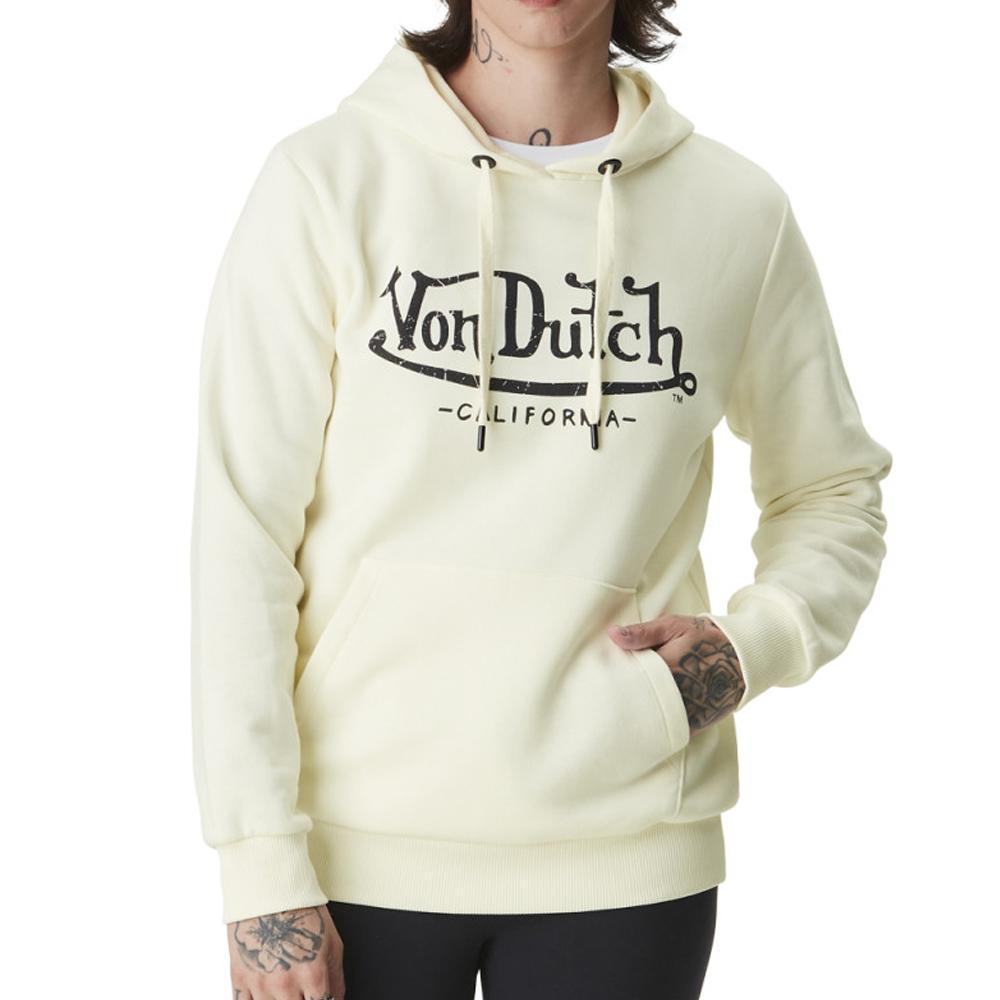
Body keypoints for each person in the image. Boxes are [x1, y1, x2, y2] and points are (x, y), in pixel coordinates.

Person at [189, 2, 893, 998]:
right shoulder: (326, 181)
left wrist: (754, 647)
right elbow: (244, 532)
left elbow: (831, 486)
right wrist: (259, 859)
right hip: (352, 853)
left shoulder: (734, 210)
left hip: (630, 855)